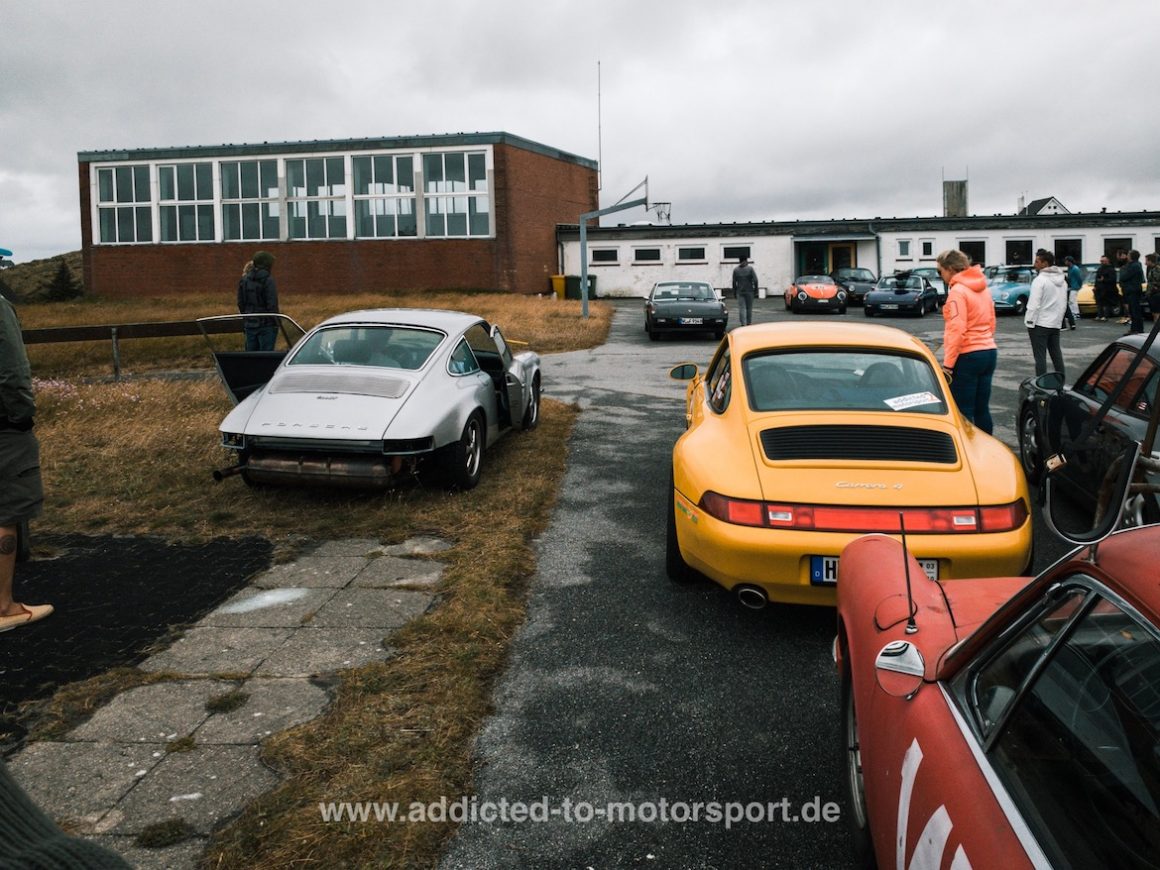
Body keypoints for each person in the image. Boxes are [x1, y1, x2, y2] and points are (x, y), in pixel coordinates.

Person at [0, 292, 53, 633]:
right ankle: (4, 607)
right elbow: (12, 371)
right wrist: (21, 417)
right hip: (3, 428)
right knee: (7, 508)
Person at [937, 249, 998, 433]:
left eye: (940, 271)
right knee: (982, 409)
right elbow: (992, 321)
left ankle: (969, 455)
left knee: (963, 411)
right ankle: (987, 449)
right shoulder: (983, 288)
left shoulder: (958, 291)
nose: (940, 276)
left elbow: (957, 330)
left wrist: (948, 365)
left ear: (950, 269)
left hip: (968, 356)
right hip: (988, 351)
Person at [1025, 250, 1068, 379]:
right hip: (1054, 323)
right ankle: (1061, 381)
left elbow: (1034, 304)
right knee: (1056, 354)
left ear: (1045, 263)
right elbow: (1063, 303)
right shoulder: (1063, 281)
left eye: (1037, 261)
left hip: (1040, 323)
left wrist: (1029, 322)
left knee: (1040, 357)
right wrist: (1059, 320)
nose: (1035, 264)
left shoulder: (1040, 280)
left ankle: (1041, 384)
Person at [237, 251, 279, 351]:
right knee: (266, 357)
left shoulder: (244, 280)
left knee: (251, 358)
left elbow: (240, 303)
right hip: (267, 325)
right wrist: (275, 322)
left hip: (250, 324)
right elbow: (272, 304)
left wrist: (247, 317)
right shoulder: (268, 280)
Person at [1119, 249, 1146, 334]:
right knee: (1133, 310)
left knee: (1135, 311)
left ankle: (1137, 329)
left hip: (1133, 290)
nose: (1127, 256)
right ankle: (1134, 328)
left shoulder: (1134, 266)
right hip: (1132, 289)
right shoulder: (1134, 265)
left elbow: (1124, 276)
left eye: (1128, 254)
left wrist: (1123, 272)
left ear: (1131, 256)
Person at [731, 256, 759, 327]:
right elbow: (755, 280)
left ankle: (743, 324)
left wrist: (734, 292)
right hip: (749, 291)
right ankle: (748, 323)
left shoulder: (736, 270)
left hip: (740, 292)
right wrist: (756, 290)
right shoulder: (750, 269)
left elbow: (734, 282)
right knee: (749, 308)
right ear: (746, 261)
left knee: (742, 308)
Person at [1094, 254, 1119, 321]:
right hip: (1099, 288)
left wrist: (1104, 280)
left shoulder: (1111, 269)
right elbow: (1097, 278)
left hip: (1108, 289)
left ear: (1107, 260)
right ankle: (1099, 315)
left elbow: (1113, 279)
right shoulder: (1100, 268)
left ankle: (1105, 316)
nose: (1101, 262)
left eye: (1103, 261)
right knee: (1099, 303)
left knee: (1107, 303)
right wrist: (1095, 286)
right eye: (1101, 261)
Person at [1062, 255, 1082, 329]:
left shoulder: (1075, 269)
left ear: (1069, 261)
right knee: (1071, 300)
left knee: (1073, 300)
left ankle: (1076, 313)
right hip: (1071, 286)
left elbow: (1079, 278)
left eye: (1066, 260)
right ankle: (1074, 313)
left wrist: (1079, 285)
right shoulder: (1070, 268)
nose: (1065, 262)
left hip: (1075, 286)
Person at [1146, 252, 1160, 324]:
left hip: (1156, 294)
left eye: (1146, 261)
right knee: (1154, 314)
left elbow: (1157, 281)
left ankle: (1157, 332)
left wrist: (1155, 288)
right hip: (1152, 294)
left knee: (1156, 314)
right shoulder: (1151, 269)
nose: (1145, 263)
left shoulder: (1157, 269)